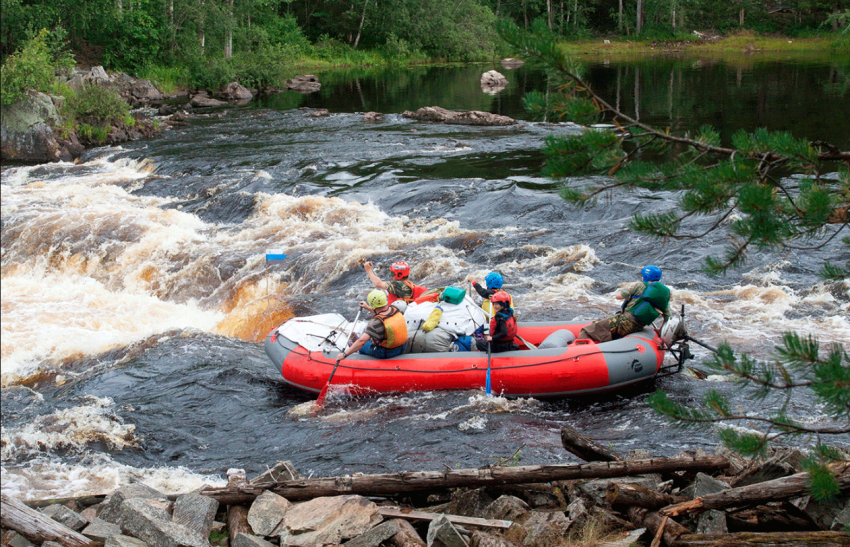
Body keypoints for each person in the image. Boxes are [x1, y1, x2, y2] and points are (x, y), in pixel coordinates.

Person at [577, 265, 671, 343]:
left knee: (588, 330)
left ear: (646, 276)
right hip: (637, 327)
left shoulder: (639, 285)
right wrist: (659, 330)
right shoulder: (662, 296)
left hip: (623, 323)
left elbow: (618, 296)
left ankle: (580, 352)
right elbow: (667, 317)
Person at [337, 289, 408, 361]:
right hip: (401, 347)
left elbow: (362, 342)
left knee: (363, 346)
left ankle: (355, 348)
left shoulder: (375, 323)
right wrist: (367, 307)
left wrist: (344, 354)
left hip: (387, 352)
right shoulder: (395, 309)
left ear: (373, 304)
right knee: (372, 339)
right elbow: (382, 314)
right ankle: (358, 343)